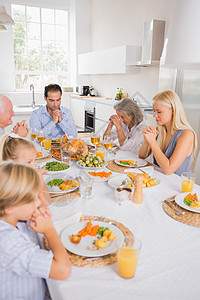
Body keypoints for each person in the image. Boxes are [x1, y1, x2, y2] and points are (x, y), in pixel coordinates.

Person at [0, 162, 71, 300]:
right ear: (10, 208)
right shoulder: (8, 243)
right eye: (32, 199)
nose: (38, 203)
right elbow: (63, 270)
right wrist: (49, 230)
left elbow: (41, 205)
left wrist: (36, 211)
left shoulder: (12, 218)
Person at [139, 90, 197, 175]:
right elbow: (142, 156)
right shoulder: (159, 130)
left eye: (159, 112)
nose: (154, 115)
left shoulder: (186, 135)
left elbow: (168, 170)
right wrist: (147, 141)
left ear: (173, 110)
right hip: (160, 181)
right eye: (154, 111)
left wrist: (152, 141)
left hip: (177, 186)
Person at [1, 136, 51, 206]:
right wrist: (39, 178)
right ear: (11, 163)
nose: (34, 166)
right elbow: (46, 202)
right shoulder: (16, 185)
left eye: (34, 161)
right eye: (29, 162)